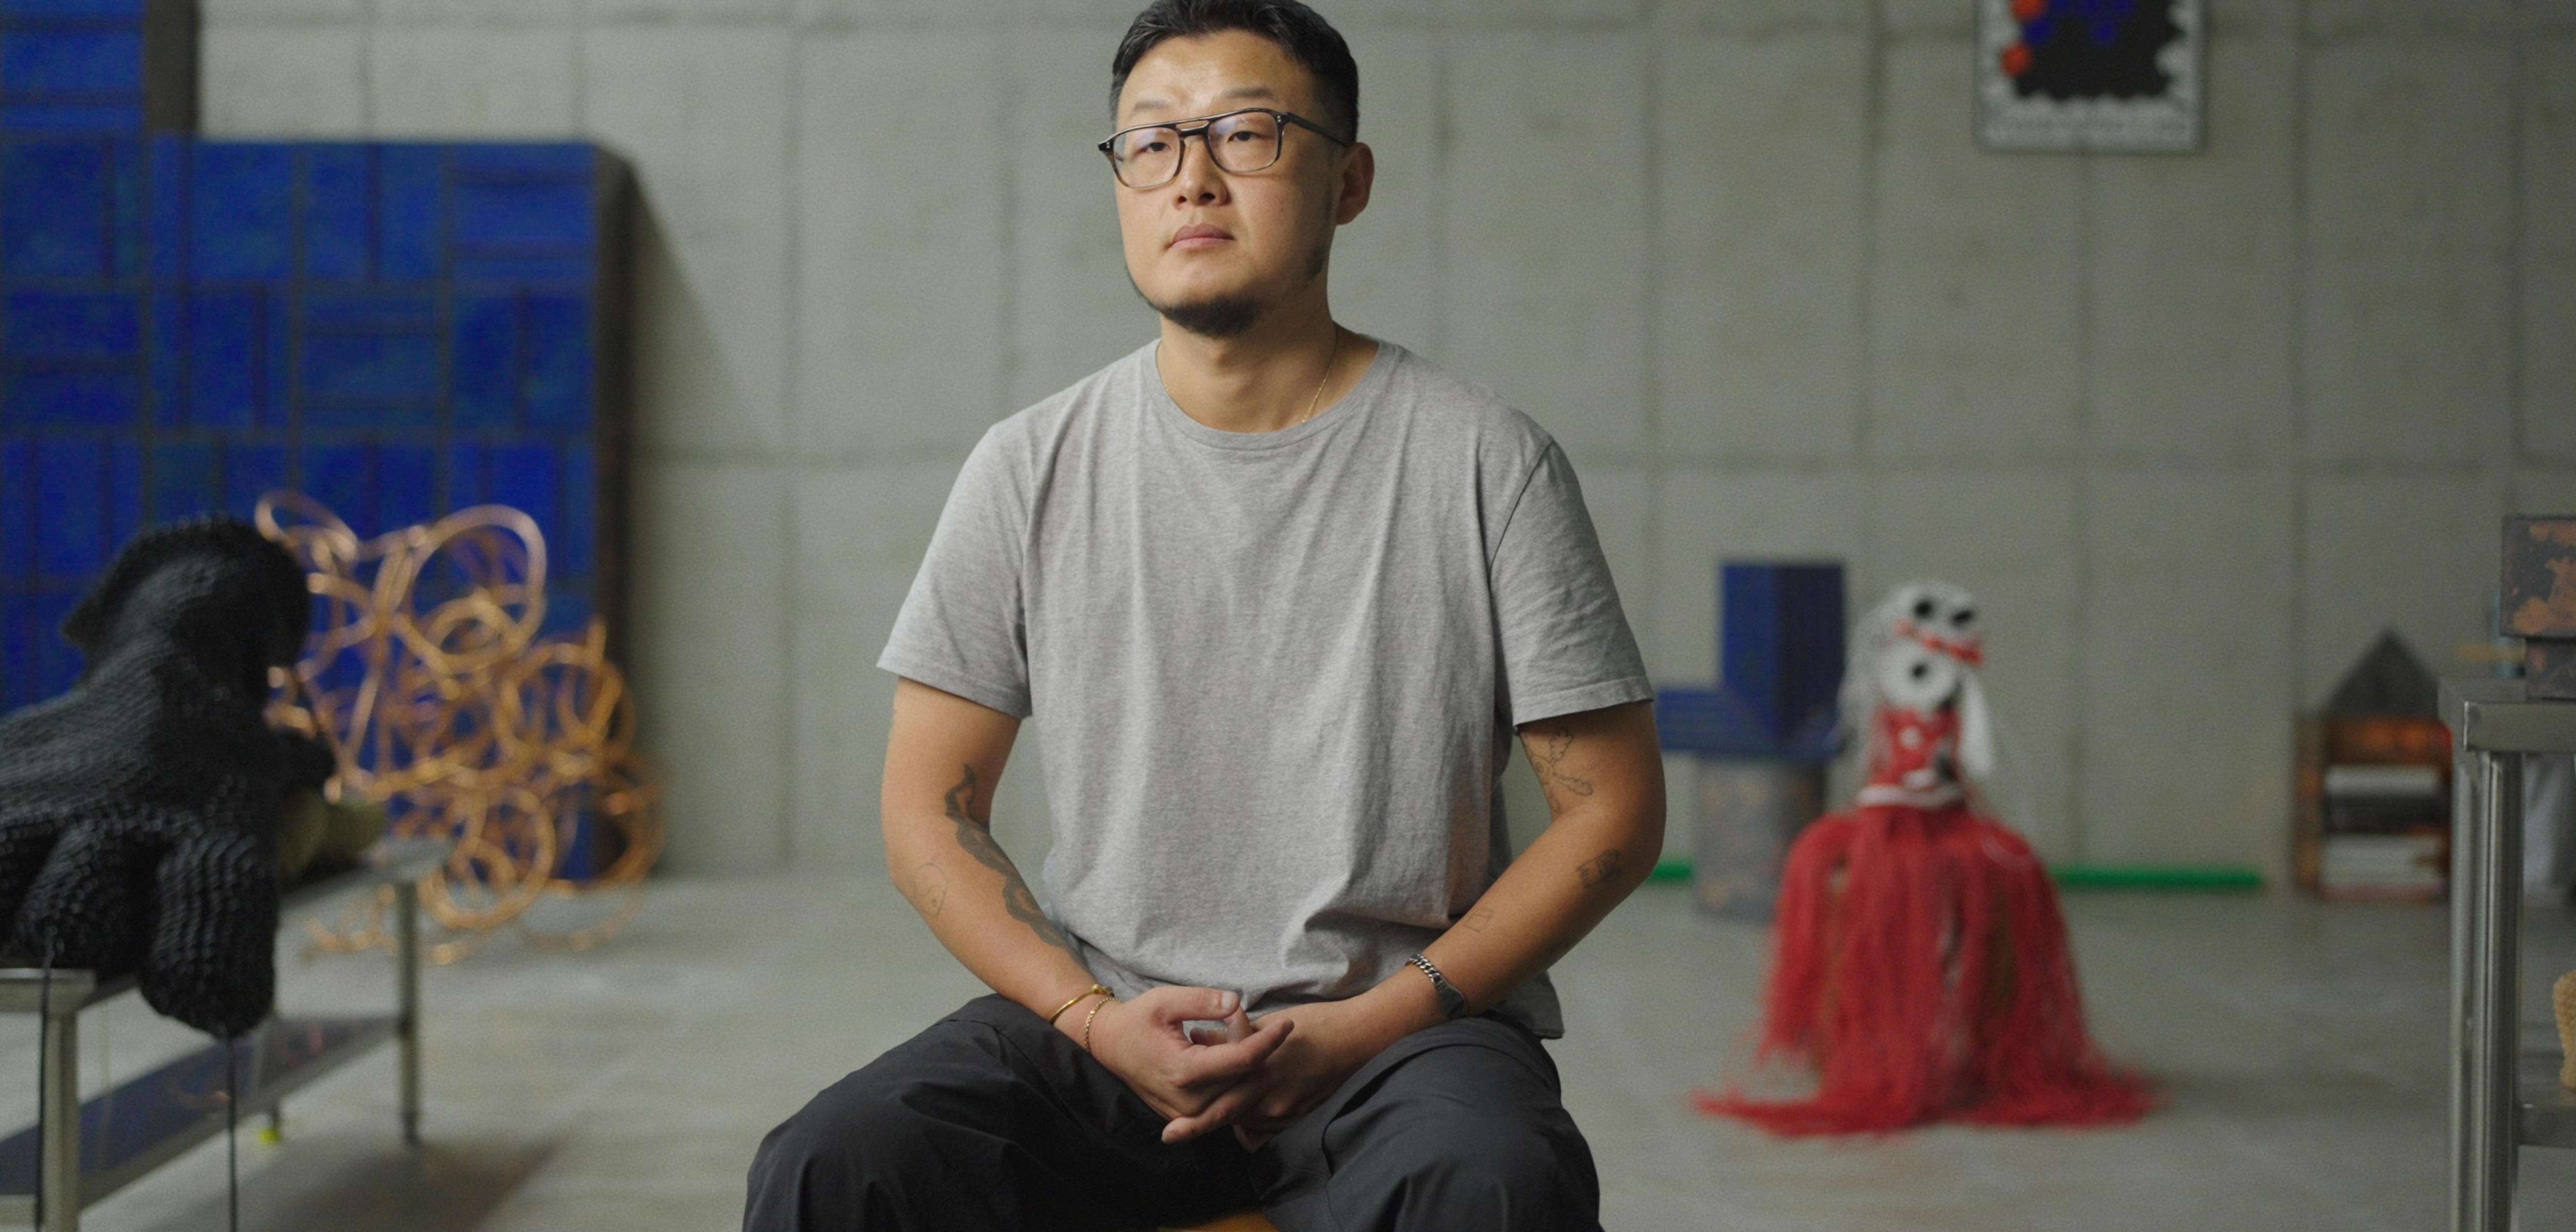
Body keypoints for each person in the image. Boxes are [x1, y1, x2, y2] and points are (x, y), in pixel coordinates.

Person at [743, 2, 1662, 1228]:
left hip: (1398, 1035)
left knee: (1494, 1182)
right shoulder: (1031, 464)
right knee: (837, 1159)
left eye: (1247, 133)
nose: (1193, 178)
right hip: (1104, 1025)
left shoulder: (1484, 461)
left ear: (1350, 179)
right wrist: (1088, 1017)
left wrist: (1363, 1026)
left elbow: (1612, 807)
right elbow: (929, 804)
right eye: (1153, 142)